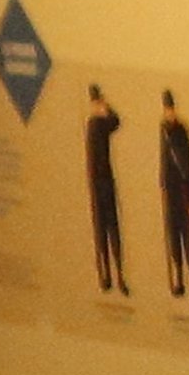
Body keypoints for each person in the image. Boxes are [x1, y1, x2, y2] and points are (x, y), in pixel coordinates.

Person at [154, 91, 189, 306]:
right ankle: (179, 280)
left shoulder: (180, 131)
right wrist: (162, 183)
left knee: (188, 240)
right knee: (173, 239)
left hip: (183, 191)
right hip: (170, 192)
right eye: (166, 108)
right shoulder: (162, 129)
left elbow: (187, 166)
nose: (169, 112)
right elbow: (165, 162)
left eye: (171, 108)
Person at [81, 86, 127, 296]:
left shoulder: (102, 122)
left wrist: (107, 108)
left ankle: (119, 274)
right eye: (96, 102)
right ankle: (105, 275)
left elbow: (116, 121)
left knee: (113, 229)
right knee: (101, 231)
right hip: (97, 184)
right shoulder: (93, 124)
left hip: (107, 181)